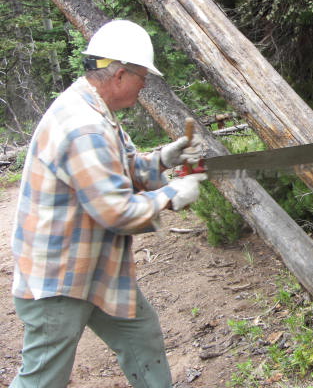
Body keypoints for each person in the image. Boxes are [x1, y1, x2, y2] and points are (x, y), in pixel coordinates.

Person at [10, 19, 207, 387]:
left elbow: (115, 169)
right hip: (61, 278)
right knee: (43, 378)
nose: (146, 84)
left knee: (141, 335)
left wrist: (163, 159)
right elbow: (115, 211)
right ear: (119, 75)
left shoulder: (93, 108)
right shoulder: (84, 125)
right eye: (142, 76)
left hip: (94, 267)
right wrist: (172, 194)